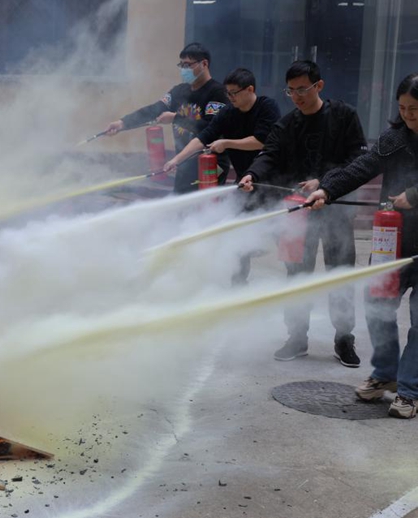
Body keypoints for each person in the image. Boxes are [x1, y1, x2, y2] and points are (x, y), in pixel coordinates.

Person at [238, 60, 368, 366]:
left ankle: (344, 338)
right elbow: (269, 154)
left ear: (318, 86)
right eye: (291, 91)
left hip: (336, 209)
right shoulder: (287, 125)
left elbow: (357, 161)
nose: (296, 97)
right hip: (298, 213)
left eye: (302, 89)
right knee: (296, 274)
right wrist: (252, 175)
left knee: (340, 274)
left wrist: (323, 182)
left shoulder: (344, 116)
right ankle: (296, 337)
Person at [305, 72, 418, 419]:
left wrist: (414, 194)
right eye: (403, 108)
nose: (408, 115)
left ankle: (410, 391)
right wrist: (327, 189)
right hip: (393, 243)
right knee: (377, 307)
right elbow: (360, 168)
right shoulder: (394, 139)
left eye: (415, 109)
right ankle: (385, 373)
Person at [163, 67, 281, 284]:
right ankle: (238, 283)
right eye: (228, 93)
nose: (230, 97)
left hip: (274, 183)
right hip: (245, 182)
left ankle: (294, 281)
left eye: (234, 93)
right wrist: (176, 160)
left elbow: (262, 141)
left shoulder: (267, 107)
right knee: (237, 233)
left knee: (284, 235)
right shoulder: (228, 113)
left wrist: (226, 143)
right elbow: (204, 136)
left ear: (250, 89)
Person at [105, 43, 230, 194]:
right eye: (181, 65)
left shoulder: (217, 93)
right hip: (183, 163)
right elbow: (154, 109)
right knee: (180, 204)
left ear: (204, 64)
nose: (183, 69)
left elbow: (210, 129)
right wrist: (123, 123)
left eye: (188, 65)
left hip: (210, 165)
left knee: (206, 205)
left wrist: (176, 118)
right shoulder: (179, 91)